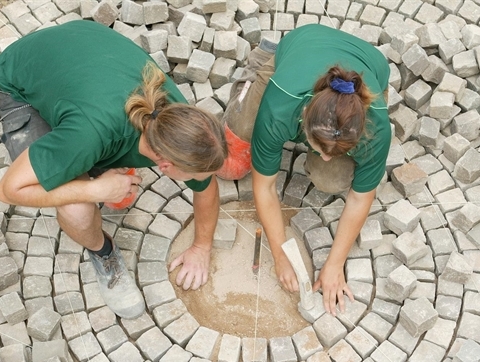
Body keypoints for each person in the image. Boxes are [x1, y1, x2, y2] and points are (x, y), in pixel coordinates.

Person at [0, 20, 228, 319]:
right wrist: (95, 189)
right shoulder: (90, 132)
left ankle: (88, 160)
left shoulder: (177, 120)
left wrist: (201, 246)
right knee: (77, 210)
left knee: (90, 154)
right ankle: (103, 252)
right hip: (17, 84)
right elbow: (9, 190)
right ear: (165, 165)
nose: (201, 179)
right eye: (194, 175)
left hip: (79, 48)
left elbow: (207, 187)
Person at [220, 24, 391, 315]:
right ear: (303, 121)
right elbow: (264, 187)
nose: (325, 158)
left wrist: (335, 264)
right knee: (232, 162)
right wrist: (279, 252)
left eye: (339, 150)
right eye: (319, 148)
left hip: (369, 63)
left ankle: (330, 142)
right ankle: (261, 61)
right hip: (302, 44)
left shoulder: (376, 129)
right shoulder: (281, 107)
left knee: (331, 178)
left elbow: (361, 197)